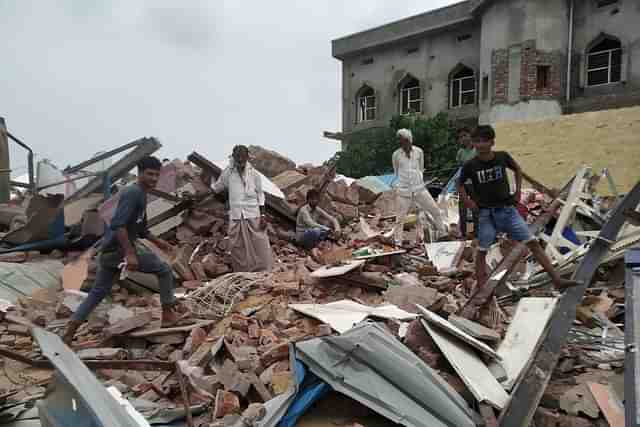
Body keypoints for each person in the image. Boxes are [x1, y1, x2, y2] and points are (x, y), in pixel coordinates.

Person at [63, 156, 181, 345]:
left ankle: (69, 331)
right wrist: (130, 253)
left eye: (156, 175)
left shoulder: (141, 194)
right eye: (149, 174)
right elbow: (118, 225)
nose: (153, 178)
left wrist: (160, 243)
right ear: (139, 173)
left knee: (98, 292)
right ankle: (167, 315)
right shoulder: (133, 193)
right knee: (164, 270)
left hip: (109, 252)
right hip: (118, 251)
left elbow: (141, 229)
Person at [458, 125, 579, 291]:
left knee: (532, 243)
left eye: (483, 141)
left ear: (492, 142)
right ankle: (480, 289)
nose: (479, 145)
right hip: (487, 214)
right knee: (482, 251)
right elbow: (460, 184)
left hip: (507, 211)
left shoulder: (502, 157)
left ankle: (557, 279)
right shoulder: (471, 165)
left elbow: (517, 169)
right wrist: (468, 202)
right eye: (476, 141)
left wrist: (518, 191)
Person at [213, 145, 273, 272]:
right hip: (236, 216)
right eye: (237, 160)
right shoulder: (228, 173)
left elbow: (260, 195)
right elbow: (216, 188)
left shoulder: (254, 174)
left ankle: (264, 272)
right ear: (234, 158)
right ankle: (243, 273)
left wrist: (263, 215)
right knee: (237, 247)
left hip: (253, 214)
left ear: (247, 158)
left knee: (260, 244)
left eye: (242, 160)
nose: (240, 163)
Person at [392, 128, 447, 247]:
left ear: (409, 140)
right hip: (403, 191)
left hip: (419, 189)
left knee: (435, 211)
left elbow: (421, 168)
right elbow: (396, 172)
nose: (401, 142)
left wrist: (418, 179)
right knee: (399, 219)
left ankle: (443, 235)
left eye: (403, 140)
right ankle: (398, 243)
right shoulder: (396, 155)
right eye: (399, 140)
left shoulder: (419, 152)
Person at [455, 127, 478, 238]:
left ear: (470, 135)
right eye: (460, 137)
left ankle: (476, 232)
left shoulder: (477, 150)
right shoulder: (460, 152)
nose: (463, 138)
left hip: (475, 183)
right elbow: (460, 167)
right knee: (462, 208)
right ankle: (463, 233)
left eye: (465, 135)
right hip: (463, 184)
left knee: (476, 208)